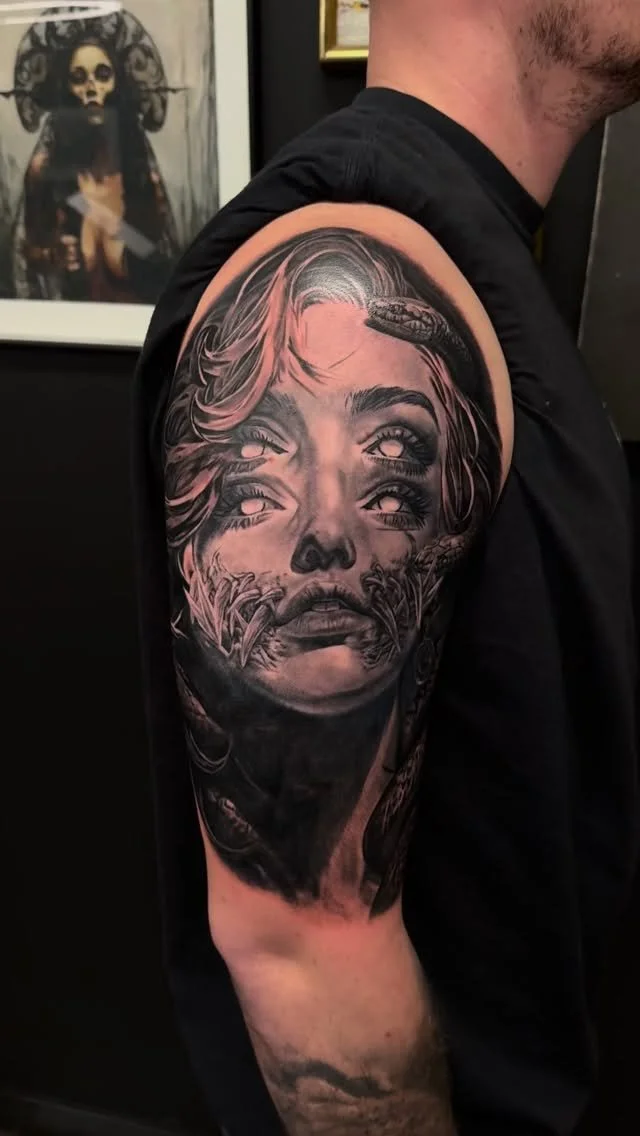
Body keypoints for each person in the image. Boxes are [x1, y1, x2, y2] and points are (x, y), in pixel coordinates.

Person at [133, 2, 639, 1134]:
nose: (326, 536)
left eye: (392, 475)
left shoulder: (462, 251)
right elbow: (302, 943)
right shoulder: (347, 272)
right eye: (258, 490)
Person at [9, 9, 179, 303]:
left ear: (119, 84)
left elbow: (166, 271)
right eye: (78, 78)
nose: (91, 90)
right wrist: (52, 255)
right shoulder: (44, 173)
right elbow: (24, 263)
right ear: (65, 90)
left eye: (102, 76)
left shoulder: (142, 178)